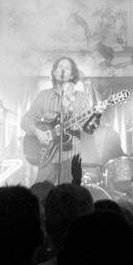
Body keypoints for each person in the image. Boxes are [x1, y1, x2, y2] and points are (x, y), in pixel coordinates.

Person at [21, 57, 99, 185]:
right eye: (60, 67)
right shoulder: (43, 95)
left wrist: (96, 116)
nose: (63, 70)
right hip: (47, 156)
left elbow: (89, 129)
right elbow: (25, 120)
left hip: (71, 155)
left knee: (69, 197)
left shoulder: (80, 97)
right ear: (54, 72)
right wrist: (37, 132)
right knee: (40, 194)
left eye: (67, 68)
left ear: (72, 75)